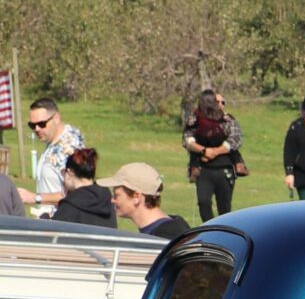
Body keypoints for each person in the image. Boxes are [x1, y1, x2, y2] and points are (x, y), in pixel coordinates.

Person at [183, 90, 243, 223]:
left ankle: (224, 232)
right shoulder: (195, 119)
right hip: (203, 169)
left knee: (224, 207)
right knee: (203, 203)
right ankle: (209, 228)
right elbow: (187, 139)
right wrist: (204, 151)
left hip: (224, 169)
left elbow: (235, 140)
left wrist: (214, 151)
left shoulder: (227, 120)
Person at [21, 99, 86, 208]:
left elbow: (78, 193)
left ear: (56, 118)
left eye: (42, 124)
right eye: (32, 125)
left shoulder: (69, 149)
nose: (37, 129)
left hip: (62, 222)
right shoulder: (53, 140)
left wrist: (35, 198)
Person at [103, 162, 191, 238]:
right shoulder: (168, 229)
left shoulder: (166, 237)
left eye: (116, 195)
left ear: (136, 196)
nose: (112, 200)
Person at [49, 147, 115, 226]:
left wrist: (44, 218)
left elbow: (54, 231)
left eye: (64, 173)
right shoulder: (106, 198)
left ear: (70, 173)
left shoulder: (70, 204)